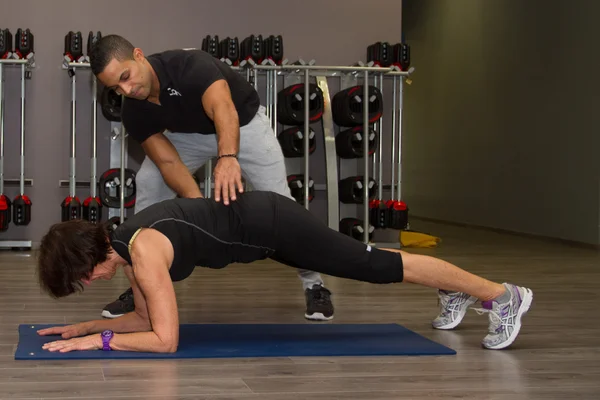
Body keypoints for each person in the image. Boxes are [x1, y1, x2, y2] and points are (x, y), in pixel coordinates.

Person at [36, 191, 533, 353]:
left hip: (276, 226)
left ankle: (500, 295)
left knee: (374, 265)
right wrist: (87, 326)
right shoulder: (126, 245)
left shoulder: (142, 253)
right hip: (264, 230)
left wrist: (93, 344)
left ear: (92, 258)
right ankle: (456, 291)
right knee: (373, 265)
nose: (89, 285)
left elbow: (164, 341)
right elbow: (143, 323)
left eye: (82, 279)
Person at [88, 34, 334, 321]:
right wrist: (199, 212)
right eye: (116, 87)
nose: (126, 89)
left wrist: (227, 157)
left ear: (139, 55)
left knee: (282, 203)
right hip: (187, 136)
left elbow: (223, 109)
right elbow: (167, 161)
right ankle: (141, 286)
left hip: (242, 124)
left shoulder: (189, 66)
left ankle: (314, 284)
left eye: (126, 76)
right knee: (149, 182)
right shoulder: (134, 109)